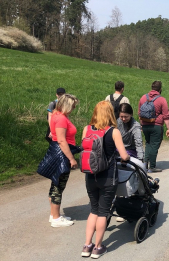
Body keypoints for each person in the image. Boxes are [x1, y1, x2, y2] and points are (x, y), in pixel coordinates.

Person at [81, 101, 130, 258]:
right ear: (110, 113)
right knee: (103, 212)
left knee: (93, 210)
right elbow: (123, 156)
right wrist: (126, 157)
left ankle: (87, 245)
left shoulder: (86, 129)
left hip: (90, 176)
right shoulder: (113, 132)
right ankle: (97, 247)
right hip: (108, 178)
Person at [49, 94, 79, 227]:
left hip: (59, 153)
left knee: (55, 184)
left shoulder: (56, 115)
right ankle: (56, 218)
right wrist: (71, 158)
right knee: (58, 186)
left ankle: (53, 214)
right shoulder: (61, 118)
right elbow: (61, 140)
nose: (73, 108)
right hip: (63, 154)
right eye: (72, 106)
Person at [138, 81, 169, 173]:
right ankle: (152, 167)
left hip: (145, 125)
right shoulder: (162, 100)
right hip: (156, 126)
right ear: (160, 89)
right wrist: (168, 128)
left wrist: (142, 124)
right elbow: (166, 115)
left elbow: (140, 113)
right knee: (154, 145)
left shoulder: (143, 97)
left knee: (148, 143)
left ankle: (145, 164)